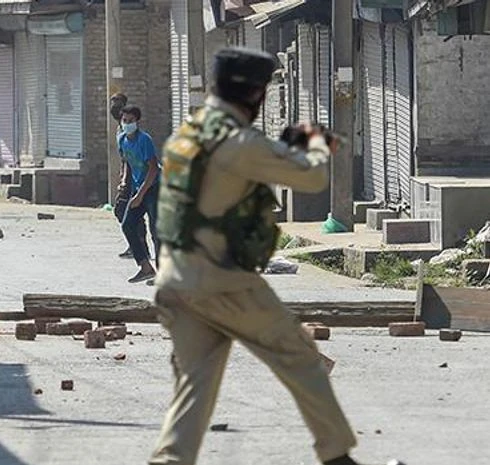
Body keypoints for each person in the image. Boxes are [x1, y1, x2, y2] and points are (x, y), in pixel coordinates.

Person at [149, 47, 391, 465]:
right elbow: (312, 177)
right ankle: (336, 456)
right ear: (256, 96)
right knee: (300, 358)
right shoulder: (237, 141)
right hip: (220, 281)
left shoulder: (186, 134)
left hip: (174, 279)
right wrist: (313, 142)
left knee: (194, 384)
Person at [118, 105, 160, 284]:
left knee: (156, 231)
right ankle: (145, 266)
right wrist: (124, 182)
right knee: (128, 224)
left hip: (154, 188)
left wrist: (140, 195)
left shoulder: (145, 140)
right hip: (137, 188)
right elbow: (127, 162)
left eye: (131, 121)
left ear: (137, 122)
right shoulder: (122, 140)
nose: (127, 124)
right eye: (124, 121)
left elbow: (153, 169)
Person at [110, 93, 149, 260]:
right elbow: (125, 158)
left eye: (117, 103)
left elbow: (148, 163)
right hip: (130, 178)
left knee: (127, 211)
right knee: (123, 211)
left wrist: (127, 181)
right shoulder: (121, 130)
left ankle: (140, 247)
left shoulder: (139, 135)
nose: (114, 106)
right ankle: (136, 246)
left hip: (140, 179)